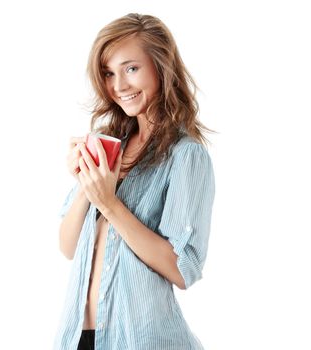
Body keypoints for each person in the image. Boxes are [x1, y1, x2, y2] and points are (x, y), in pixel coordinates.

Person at [53, 13, 216, 350]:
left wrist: (110, 204)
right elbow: (68, 247)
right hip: (78, 338)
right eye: (109, 73)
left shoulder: (186, 156)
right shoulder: (110, 146)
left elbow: (182, 268)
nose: (119, 86)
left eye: (131, 68)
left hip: (144, 340)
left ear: (161, 66)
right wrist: (88, 183)